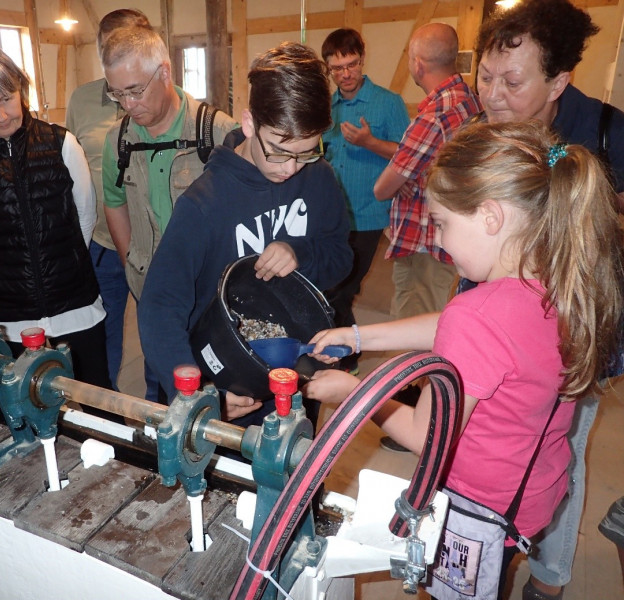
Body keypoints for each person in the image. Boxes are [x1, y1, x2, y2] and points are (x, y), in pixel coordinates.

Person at [305, 120, 624, 598]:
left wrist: (354, 392)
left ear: (491, 216)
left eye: (442, 223)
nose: (438, 241)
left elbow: (424, 435)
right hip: (531, 491)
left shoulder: (477, 315)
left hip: (475, 511)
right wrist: (357, 336)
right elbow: (461, 329)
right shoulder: (559, 283)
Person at [474, 3, 624, 597]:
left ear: (559, 81)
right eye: (485, 76)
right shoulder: (488, 128)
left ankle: (550, 575)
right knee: (497, 448)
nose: (492, 95)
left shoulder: (608, 131)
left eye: (513, 82)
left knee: (560, 450)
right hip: (495, 324)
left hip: (574, 334)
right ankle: (492, 555)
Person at [138, 42, 352, 425]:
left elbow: (340, 256)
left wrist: (300, 254)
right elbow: (159, 306)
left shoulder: (318, 176)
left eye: (306, 152)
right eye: (278, 151)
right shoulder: (204, 204)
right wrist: (195, 396)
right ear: (250, 123)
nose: (291, 169)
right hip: (226, 381)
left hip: (297, 375)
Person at [0, 41, 110, 389]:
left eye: (6, 98)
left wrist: (58, 265)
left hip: (74, 300)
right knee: (17, 398)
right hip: (8, 310)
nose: (1, 115)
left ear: (20, 89)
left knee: (96, 391)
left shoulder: (61, 142)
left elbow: (84, 217)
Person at [100, 24, 236, 401]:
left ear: (165, 72)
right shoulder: (118, 141)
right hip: (153, 299)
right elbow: (114, 201)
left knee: (217, 391)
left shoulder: (220, 134)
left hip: (211, 300)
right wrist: (134, 265)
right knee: (161, 387)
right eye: (117, 94)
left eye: (135, 91)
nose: (127, 105)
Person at [65, 8, 150, 390]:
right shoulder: (81, 101)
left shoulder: (164, 97)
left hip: (155, 247)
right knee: (103, 337)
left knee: (160, 337)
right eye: (107, 46)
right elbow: (68, 169)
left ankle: (160, 415)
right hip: (101, 245)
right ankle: (107, 418)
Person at [373, 23, 481, 321]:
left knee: (412, 331)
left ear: (417, 64)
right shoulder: (469, 100)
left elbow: (382, 189)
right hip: (454, 242)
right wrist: (414, 176)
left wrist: (405, 178)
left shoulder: (433, 117)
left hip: (424, 247)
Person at [320, 28, 409, 329]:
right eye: (337, 68)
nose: (346, 74)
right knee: (330, 287)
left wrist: (370, 142)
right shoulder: (327, 109)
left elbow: (407, 155)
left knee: (344, 290)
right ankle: (344, 355)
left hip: (368, 215)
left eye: (352, 64)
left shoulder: (388, 103)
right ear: (328, 69)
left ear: (363, 60)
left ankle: (348, 357)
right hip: (331, 214)